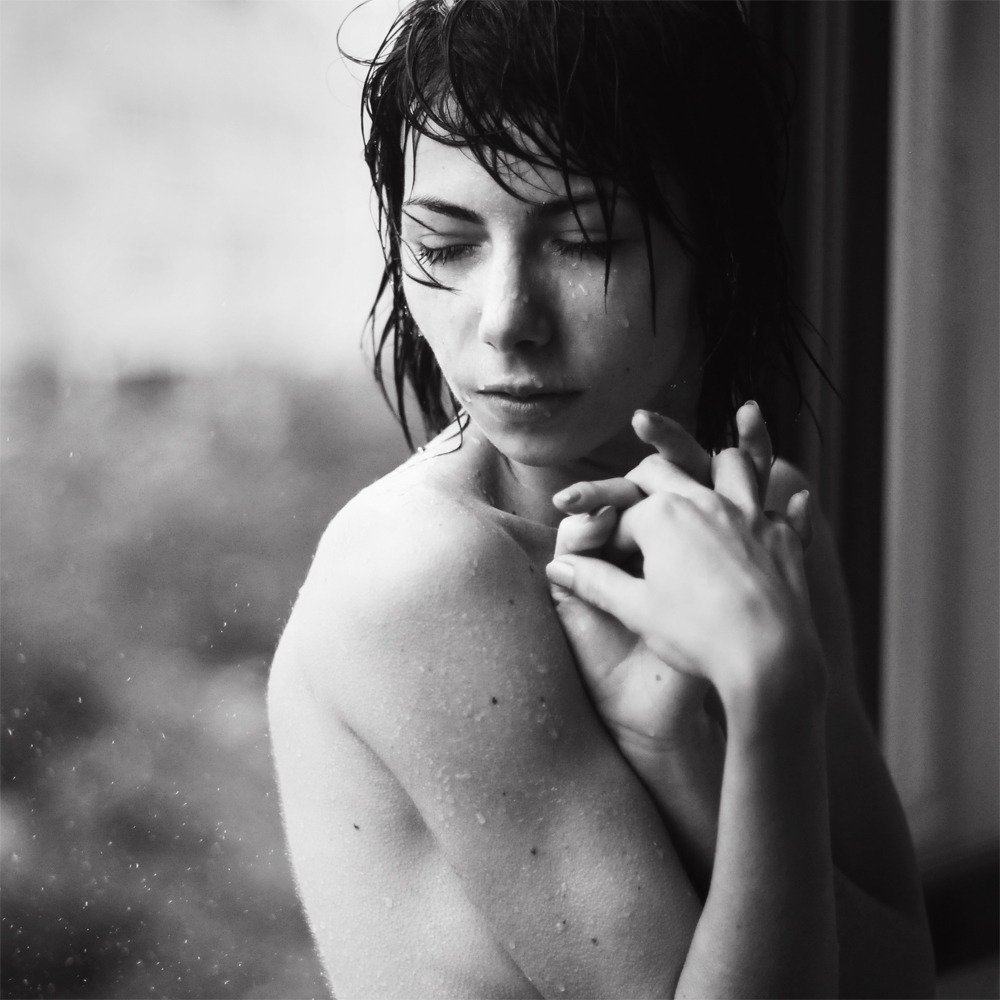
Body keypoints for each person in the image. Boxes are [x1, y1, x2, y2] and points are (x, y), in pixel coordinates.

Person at [267, 1, 934, 995]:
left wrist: (685, 751)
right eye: (445, 246)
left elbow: (898, 979)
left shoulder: (752, 525)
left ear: (719, 246)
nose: (506, 321)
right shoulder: (423, 572)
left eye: (582, 241)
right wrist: (766, 702)